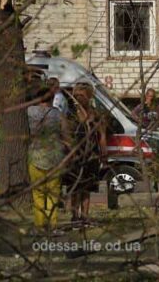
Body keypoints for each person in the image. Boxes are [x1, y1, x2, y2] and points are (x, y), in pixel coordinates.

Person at [65, 83, 107, 227]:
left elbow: (101, 134)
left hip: (92, 155)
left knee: (88, 187)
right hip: (75, 155)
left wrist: (104, 152)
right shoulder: (70, 114)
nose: (78, 98)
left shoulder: (95, 113)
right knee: (75, 187)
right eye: (76, 95)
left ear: (89, 96)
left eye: (81, 95)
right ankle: (74, 215)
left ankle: (85, 216)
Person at [27, 86, 66, 233]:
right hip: (55, 158)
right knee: (53, 195)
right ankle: (52, 227)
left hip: (35, 156)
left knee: (37, 194)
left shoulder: (29, 112)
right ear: (51, 99)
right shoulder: (57, 114)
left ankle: (39, 226)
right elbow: (66, 133)